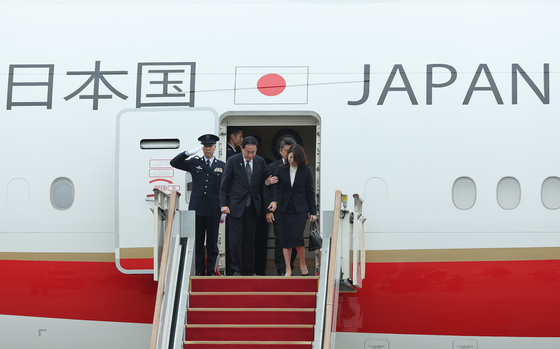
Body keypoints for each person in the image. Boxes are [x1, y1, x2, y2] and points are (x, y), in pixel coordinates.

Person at [220, 136, 277, 276]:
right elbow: (224, 185)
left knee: (250, 240)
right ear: (241, 149)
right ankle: (236, 269)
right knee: (236, 240)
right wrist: (223, 205)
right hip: (235, 207)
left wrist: (273, 197)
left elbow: (270, 180)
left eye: (253, 152)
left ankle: (249, 270)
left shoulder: (260, 161)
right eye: (248, 152)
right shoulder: (233, 161)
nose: (251, 155)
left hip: (253, 207)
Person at [170, 134, 226, 276]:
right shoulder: (194, 163)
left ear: (215, 147)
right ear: (202, 148)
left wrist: (224, 208)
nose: (208, 148)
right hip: (197, 208)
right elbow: (174, 162)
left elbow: (226, 188)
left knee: (212, 243)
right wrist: (188, 153)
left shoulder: (222, 166)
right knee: (199, 242)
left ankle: (211, 271)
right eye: (205, 146)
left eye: (210, 146)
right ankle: (200, 271)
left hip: (214, 208)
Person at [273, 144, 317, 277]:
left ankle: (302, 264)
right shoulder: (281, 169)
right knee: (285, 239)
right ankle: (288, 269)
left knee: (297, 237)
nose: (292, 160)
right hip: (285, 209)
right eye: (290, 157)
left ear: (300, 158)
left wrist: (313, 212)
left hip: (300, 210)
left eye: (294, 158)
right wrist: (273, 199)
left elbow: (310, 191)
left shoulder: (306, 170)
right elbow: (274, 186)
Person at [265, 137, 297, 276]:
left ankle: (290, 267)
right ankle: (282, 270)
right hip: (277, 210)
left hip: (295, 210)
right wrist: (268, 211)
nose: (289, 153)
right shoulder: (272, 167)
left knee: (295, 239)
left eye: (292, 150)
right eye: (286, 150)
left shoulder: (299, 166)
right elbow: (267, 190)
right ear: (280, 151)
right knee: (280, 240)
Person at [225, 126, 243, 275]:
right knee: (232, 238)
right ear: (232, 137)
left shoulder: (233, 152)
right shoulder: (229, 153)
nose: (241, 140)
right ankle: (232, 268)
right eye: (240, 137)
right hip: (233, 201)